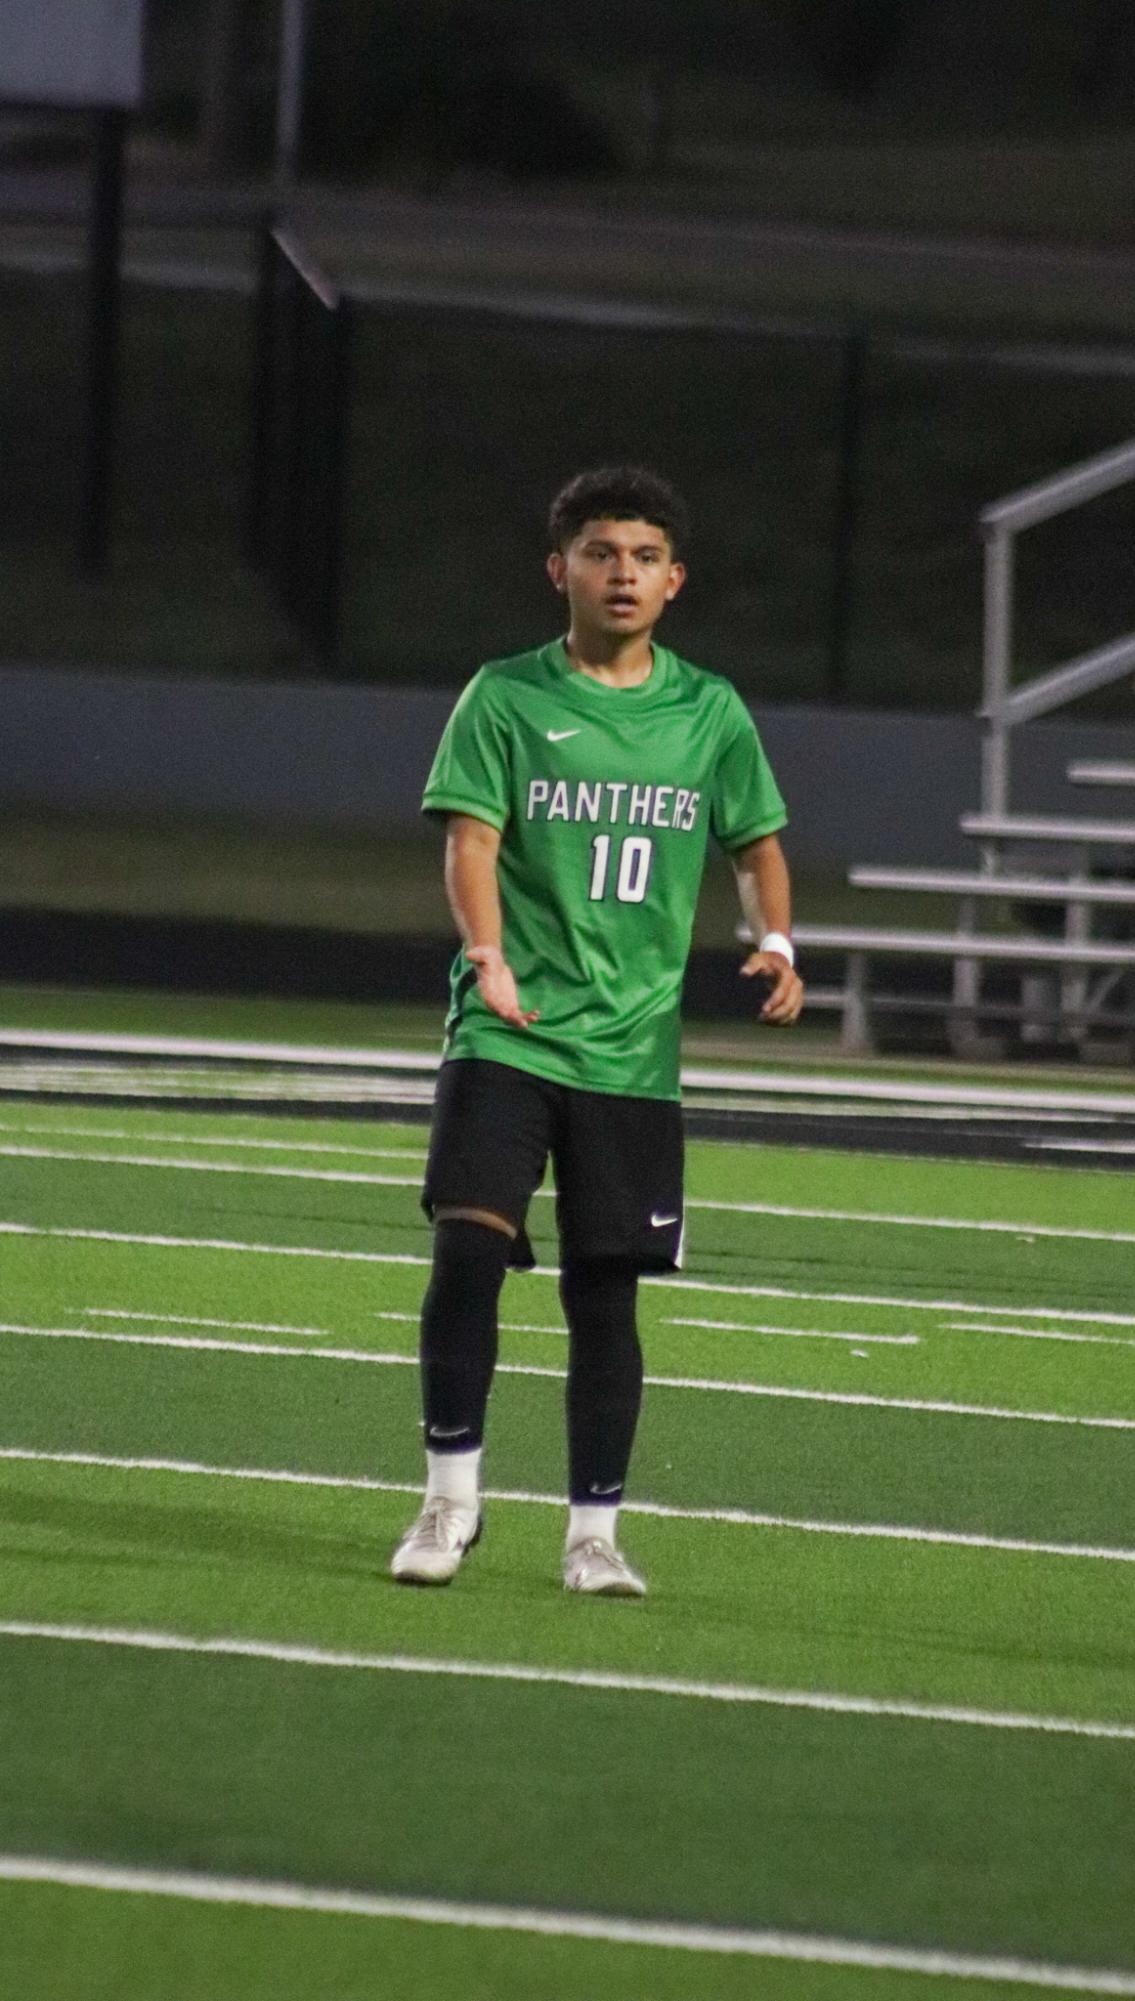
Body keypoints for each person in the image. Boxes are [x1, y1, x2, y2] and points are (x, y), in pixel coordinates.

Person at [391, 465, 803, 1596]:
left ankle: (593, 1533)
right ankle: (447, 1502)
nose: (620, 573)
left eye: (642, 556)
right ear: (557, 569)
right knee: (468, 1250)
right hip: (508, 1031)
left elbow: (756, 844)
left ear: (674, 580)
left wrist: (776, 939)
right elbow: (469, 842)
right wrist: (487, 953)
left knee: (601, 1292)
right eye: (599, 552)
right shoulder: (504, 698)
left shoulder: (707, 711)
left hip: (632, 1051)